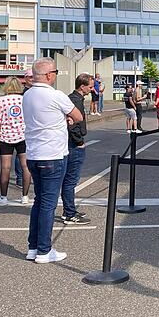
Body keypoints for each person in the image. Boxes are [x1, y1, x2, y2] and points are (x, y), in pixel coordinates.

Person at [23, 57, 83, 264]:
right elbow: (78, 116)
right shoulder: (56, 95)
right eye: (55, 72)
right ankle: (44, 250)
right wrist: (65, 118)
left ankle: (33, 247)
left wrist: (60, 118)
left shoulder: (28, 95)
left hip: (33, 154)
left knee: (39, 201)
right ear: (49, 75)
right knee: (49, 204)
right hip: (53, 155)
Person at [0, 77, 31, 205]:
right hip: (23, 136)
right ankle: (25, 196)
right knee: (25, 166)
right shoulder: (25, 99)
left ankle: (3, 197)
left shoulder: (1, 101)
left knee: (5, 167)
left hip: (6, 136)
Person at [60, 73, 93, 225]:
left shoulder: (73, 99)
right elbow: (72, 125)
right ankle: (69, 213)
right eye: (90, 87)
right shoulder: (75, 101)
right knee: (71, 179)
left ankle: (69, 209)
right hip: (73, 144)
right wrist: (79, 141)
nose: (92, 90)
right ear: (82, 86)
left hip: (70, 142)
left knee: (69, 179)